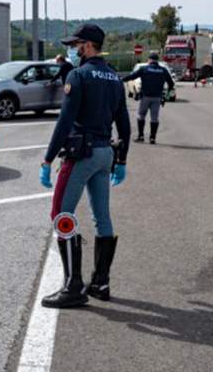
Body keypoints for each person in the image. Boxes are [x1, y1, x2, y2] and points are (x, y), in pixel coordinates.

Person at [39, 24, 131, 308]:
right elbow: (125, 126)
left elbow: (65, 121)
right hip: (105, 154)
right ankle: (100, 283)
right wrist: (122, 160)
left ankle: (73, 286)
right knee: (102, 217)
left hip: (81, 155)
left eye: (77, 44)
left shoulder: (79, 76)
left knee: (60, 214)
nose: (74, 49)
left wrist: (47, 158)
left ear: (88, 45)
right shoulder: (114, 78)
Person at [122, 52, 174, 144]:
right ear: (157, 60)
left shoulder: (144, 69)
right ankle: (152, 138)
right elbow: (171, 84)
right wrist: (166, 96)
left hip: (145, 97)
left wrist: (120, 79)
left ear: (149, 60)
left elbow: (132, 76)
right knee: (154, 118)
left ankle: (141, 136)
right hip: (157, 97)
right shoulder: (163, 70)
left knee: (141, 116)